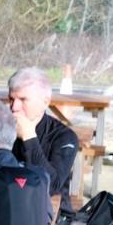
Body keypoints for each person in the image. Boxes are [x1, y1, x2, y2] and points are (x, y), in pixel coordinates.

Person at [8, 67, 78, 214]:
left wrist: (29, 137)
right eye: (11, 99)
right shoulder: (3, 128)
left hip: (51, 214)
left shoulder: (64, 136)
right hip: (9, 206)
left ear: (45, 102)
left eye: (23, 99)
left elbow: (51, 186)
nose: (14, 107)